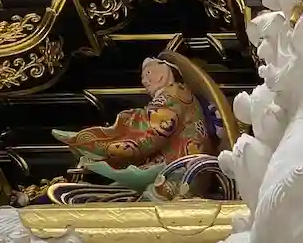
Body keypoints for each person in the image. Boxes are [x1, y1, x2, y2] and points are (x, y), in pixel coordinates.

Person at [53, 58, 217, 172]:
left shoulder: (171, 96)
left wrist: (101, 146)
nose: (144, 81)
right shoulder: (181, 94)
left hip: (180, 173)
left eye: (148, 74)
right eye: (142, 77)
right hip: (186, 166)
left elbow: (151, 133)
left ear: (163, 71)